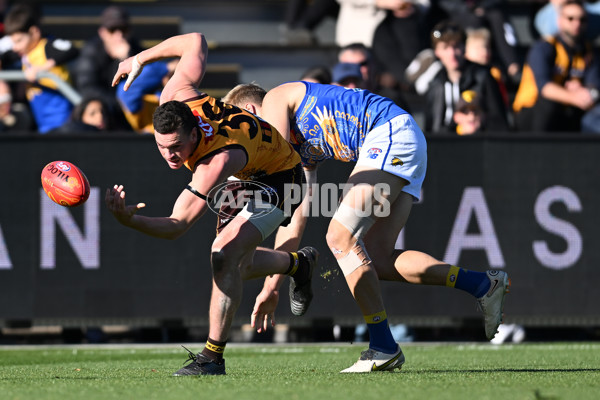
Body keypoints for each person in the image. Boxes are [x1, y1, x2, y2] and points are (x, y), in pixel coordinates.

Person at [222, 81, 510, 373]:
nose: (240, 136)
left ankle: (383, 346)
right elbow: (294, 215)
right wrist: (272, 287)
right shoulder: (298, 155)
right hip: (403, 138)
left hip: (388, 134)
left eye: (239, 125)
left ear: (250, 110)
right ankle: (482, 284)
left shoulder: (275, 99)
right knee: (378, 259)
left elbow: (273, 165)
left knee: (339, 236)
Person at [107, 32, 318, 376]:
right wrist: (140, 59)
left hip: (283, 177)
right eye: (161, 147)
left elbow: (177, 226)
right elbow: (195, 40)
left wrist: (128, 221)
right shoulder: (176, 95)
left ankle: (212, 358)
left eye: (176, 147)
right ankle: (298, 265)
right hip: (251, 168)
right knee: (240, 265)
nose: (169, 156)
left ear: (194, 134)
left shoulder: (215, 161)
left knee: (223, 255)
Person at [513, 0, 600, 133]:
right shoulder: (544, 47)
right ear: (559, 20)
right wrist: (573, 95)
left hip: (567, 111)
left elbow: (595, 87)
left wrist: (587, 92)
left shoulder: (587, 52)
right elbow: (544, 87)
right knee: (548, 104)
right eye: (570, 18)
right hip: (531, 112)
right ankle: (537, 149)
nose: (576, 23)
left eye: (582, 20)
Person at [4, 4, 79, 134]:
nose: (15, 47)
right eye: (13, 42)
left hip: (62, 117)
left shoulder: (47, 47)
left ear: (34, 32)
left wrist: (44, 67)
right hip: (41, 120)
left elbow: (71, 49)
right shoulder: (24, 53)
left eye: (19, 41)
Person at [424, 20, 509, 134]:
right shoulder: (435, 84)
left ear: (465, 47)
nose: (452, 53)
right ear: (437, 52)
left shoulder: (483, 76)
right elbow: (431, 127)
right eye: (445, 48)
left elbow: (499, 122)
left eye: (456, 47)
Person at [73, 5, 142, 131]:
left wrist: (128, 59)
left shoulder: (136, 50)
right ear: (103, 33)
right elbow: (87, 89)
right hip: (104, 117)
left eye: (123, 29)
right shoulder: (91, 51)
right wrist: (119, 102)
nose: (119, 35)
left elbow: (143, 84)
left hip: (130, 115)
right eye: (112, 30)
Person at [534, 0, 600, 40]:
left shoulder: (595, 18)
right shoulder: (545, 21)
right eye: (571, 19)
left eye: (582, 20)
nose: (577, 24)